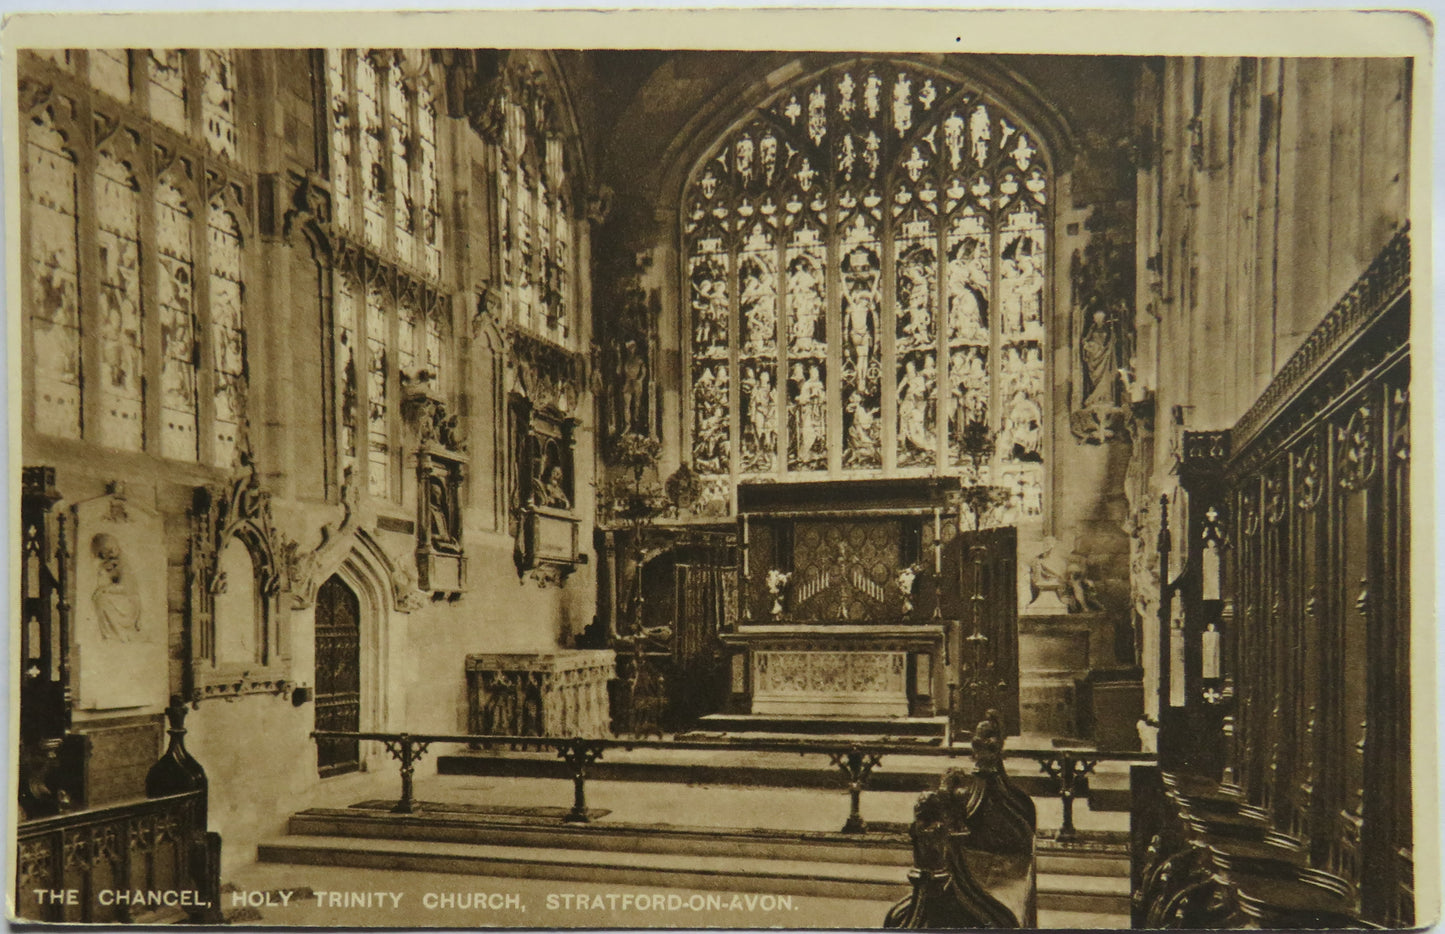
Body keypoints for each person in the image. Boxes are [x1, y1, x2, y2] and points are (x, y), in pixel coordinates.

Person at [91, 533, 142, 642]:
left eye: (110, 551)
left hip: (128, 601)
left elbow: (126, 588)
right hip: (116, 598)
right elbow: (102, 584)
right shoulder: (104, 566)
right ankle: (108, 634)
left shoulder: (123, 565)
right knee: (99, 598)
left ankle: (119, 634)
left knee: (102, 599)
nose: (107, 555)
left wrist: (106, 589)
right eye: (103, 553)